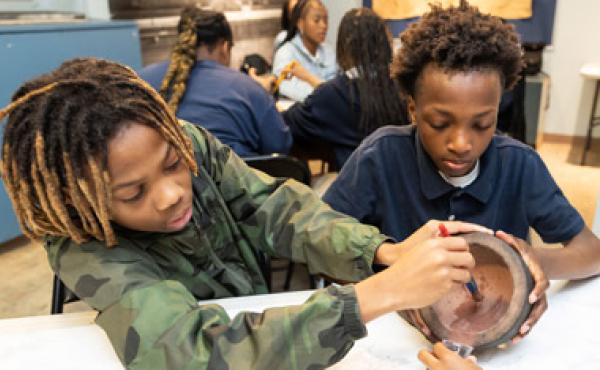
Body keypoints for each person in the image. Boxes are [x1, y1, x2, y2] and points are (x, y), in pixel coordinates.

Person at [0, 57, 490, 370]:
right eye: (132, 194)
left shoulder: (186, 143)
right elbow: (185, 353)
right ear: (79, 203)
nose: (171, 194)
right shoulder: (81, 243)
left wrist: (382, 250)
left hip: (262, 322)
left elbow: (274, 206)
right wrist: (372, 296)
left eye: (174, 166)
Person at [324, 0, 600, 345]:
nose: (461, 143)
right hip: (395, 340)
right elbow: (324, 249)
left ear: (497, 113)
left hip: (499, 346)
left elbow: (592, 252)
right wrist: (391, 285)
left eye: (482, 124)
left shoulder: (519, 165)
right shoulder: (379, 159)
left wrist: (527, 263)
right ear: (412, 109)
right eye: (440, 124)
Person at [138, 7, 290, 157]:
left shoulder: (140, 82)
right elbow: (280, 146)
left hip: (165, 179)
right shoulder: (248, 89)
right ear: (224, 47)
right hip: (236, 179)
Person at [283, 8, 408, 170]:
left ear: (344, 45)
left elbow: (287, 122)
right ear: (386, 42)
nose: (323, 26)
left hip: (357, 187)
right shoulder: (405, 86)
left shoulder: (334, 94)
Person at [272, 0, 337, 102]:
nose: (324, 26)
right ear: (301, 24)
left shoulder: (329, 51)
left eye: (326, 20)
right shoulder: (285, 53)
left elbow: (338, 89)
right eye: (317, 20)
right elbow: (290, 90)